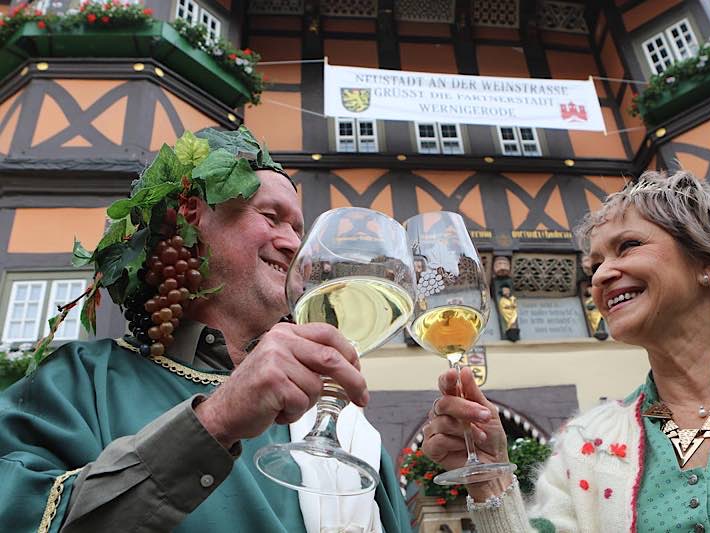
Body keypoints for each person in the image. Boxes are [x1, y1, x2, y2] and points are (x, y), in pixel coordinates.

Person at [0, 128, 412, 532]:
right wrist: (216, 421)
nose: (292, 243)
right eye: (271, 217)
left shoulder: (341, 425)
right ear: (189, 219)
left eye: (298, 231)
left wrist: (475, 491)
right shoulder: (78, 381)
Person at [421, 171, 710, 532]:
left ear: (708, 262)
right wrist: (490, 478)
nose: (600, 276)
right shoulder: (585, 443)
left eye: (629, 246)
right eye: (596, 264)